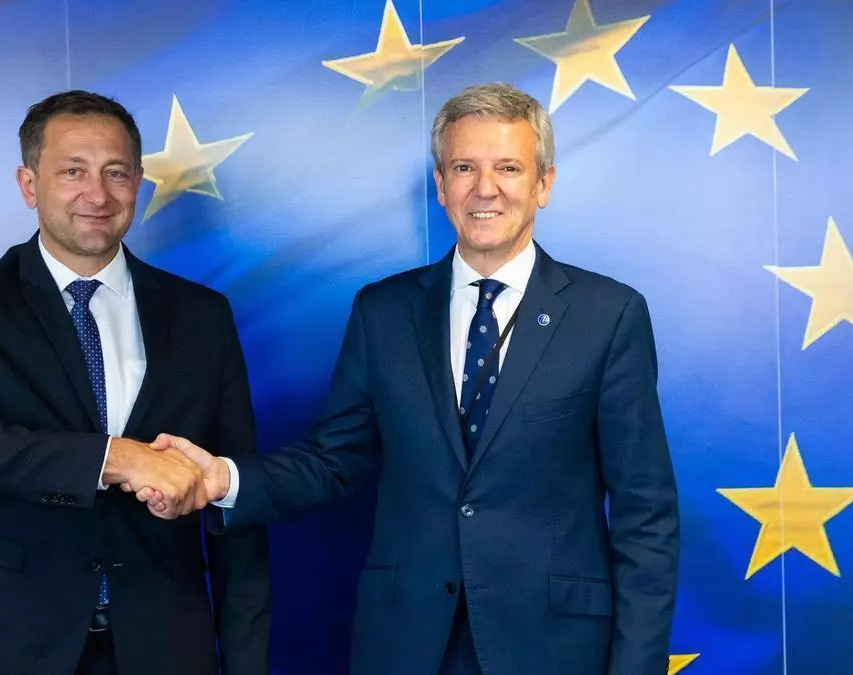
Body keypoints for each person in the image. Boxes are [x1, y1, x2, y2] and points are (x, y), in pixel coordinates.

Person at [146, 82, 680, 675]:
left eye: (508, 167)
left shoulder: (609, 315)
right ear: (441, 185)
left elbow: (645, 514)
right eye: (464, 167)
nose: (485, 188)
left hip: (554, 648)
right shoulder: (383, 311)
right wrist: (223, 478)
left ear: (543, 184)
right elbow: (333, 461)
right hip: (407, 644)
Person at [0, 90, 270, 675]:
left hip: (166, 646)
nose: (97, 195)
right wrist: (117, 458)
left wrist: (247, 662)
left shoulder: (203, 314)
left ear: (138, 182)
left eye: (115, 172)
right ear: (29, 185)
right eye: (73, 171)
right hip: (8, 643)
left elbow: (234, 499)